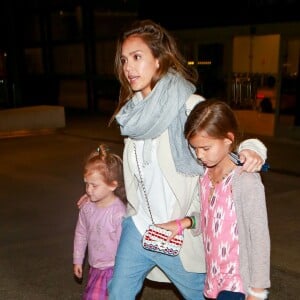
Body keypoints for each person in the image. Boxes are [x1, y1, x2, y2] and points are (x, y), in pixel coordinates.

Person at [78, 19, 267, 300]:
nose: (128, 67)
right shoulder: (133, 117)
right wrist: (101, 194)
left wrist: (254, 150)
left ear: (158, 60)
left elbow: (223, 136)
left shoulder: (187, 106)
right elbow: (138, 173)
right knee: (117, 292)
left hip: (177, 231)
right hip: (140, 226)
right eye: (124, 60)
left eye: (137, 57)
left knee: (200, 294)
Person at [160, 100, 271, 299]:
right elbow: (212, 218)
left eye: (205, 148)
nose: (199, 155)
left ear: (228, 138)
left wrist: (257, 290)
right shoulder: (205, 176)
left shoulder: (245, 180)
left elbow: (260, 238)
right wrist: (184, 222)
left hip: (237, 283)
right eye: (195, 149)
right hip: (213, 280)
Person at [73, 144, 126, 300]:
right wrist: (78, 259)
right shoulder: (87, 208)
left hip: (113, 269)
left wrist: (123, 274)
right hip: (95, 267)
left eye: (94, 185)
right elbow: (81, 233)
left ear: (113, 185)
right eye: (86, 183)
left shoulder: (118, 213)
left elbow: (124, 247)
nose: (89, 190)